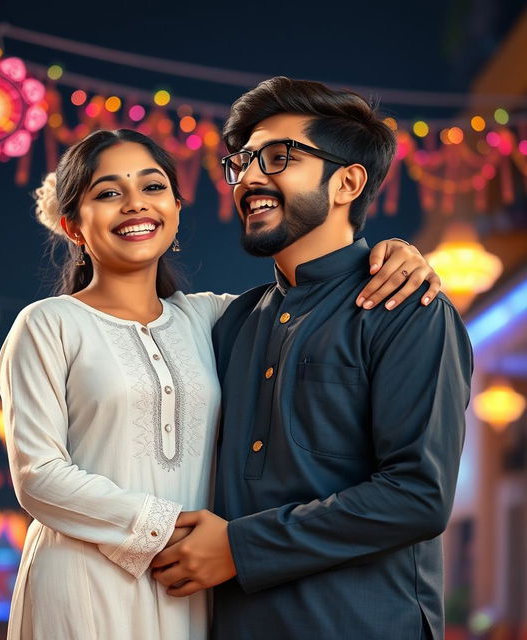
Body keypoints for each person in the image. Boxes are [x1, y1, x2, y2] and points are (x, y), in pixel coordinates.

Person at [0, 127, 441, 640]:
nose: (135, 205)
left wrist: (394, 255)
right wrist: (172, 530)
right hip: (86, 574)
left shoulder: (212, 318)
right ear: (73, 226)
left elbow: (309, 296)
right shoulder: (47, 323)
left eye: (153, 187)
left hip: (193, 583)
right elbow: (39, 476)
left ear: (177, 210)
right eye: (108, 193)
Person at [150, 78, 474, 640]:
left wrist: (238, 547)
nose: (250, 178)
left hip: (363, 624)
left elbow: (417, 495)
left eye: (279, 158)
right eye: (243, 161)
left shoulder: (406, 310)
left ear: (348, 181)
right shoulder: (232, 323)